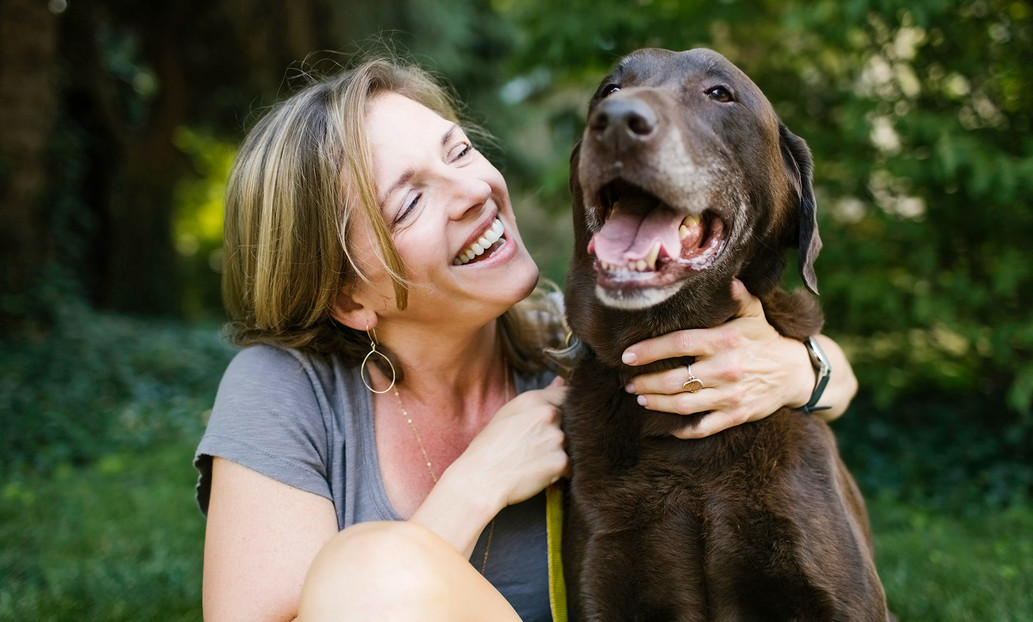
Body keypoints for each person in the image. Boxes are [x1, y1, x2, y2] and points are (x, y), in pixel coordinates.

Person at [194, 55, 859, 622]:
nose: (471, 191)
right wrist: (474, 484)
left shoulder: (572, 352)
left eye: (458, 152)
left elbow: (820, 374)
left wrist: (805, 369)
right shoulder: (283, 391)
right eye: (409, 202)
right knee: (369, 565)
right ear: (349, 297)